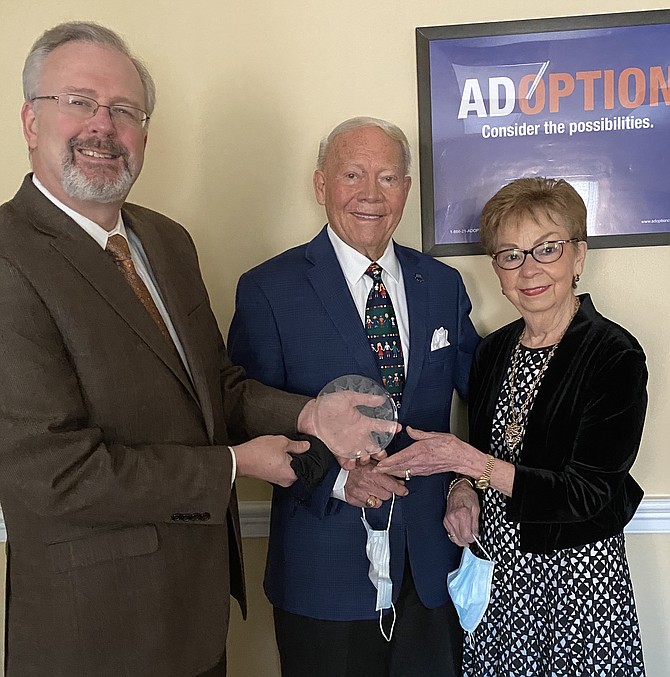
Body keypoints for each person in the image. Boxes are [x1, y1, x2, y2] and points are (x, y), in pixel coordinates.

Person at [0, 22, 383, 677]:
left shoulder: (166, 241)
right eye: (79, 101)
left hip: (196, 621)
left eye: (124, 110)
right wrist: (233, 465)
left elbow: (220, 386)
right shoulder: (10, 257)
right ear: (31, 119)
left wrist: (307, 415)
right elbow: (59, 476)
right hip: (94, 636)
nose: (103, 124)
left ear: (144, 133)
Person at [228, 117, 480, 676]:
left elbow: (479, 395)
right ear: (321, 186)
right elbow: (243, 410)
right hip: (324, 572)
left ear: (407, 190)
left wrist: (467, 480)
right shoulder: (269, 288)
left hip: (430, 567)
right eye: (352, 175)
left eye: (388, 177)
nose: (371, 194)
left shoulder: (441, 285)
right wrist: (339, 480)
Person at [378, 177, 647, 676]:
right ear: (497, 271)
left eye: (547, 249)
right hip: (499, 583)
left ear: (579, 256)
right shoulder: (492, 351)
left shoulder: (613, 354)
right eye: (510, 255)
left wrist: (467, 463)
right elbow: (483, 452)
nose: (530, 269)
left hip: (580, 589)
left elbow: (587, 493)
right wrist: (462, 485)